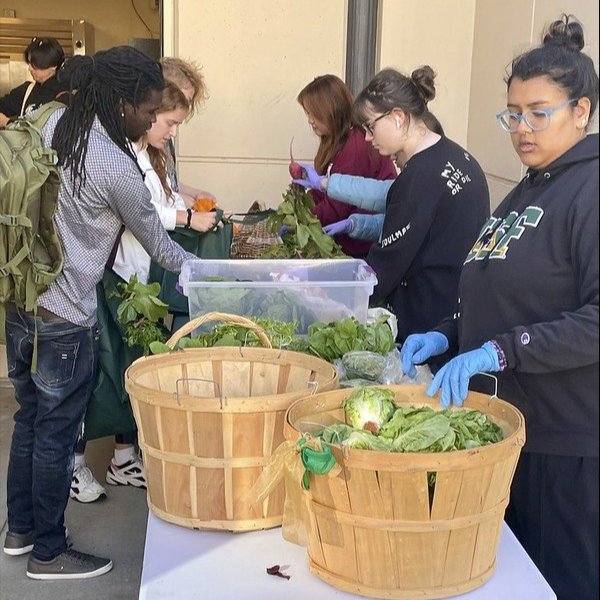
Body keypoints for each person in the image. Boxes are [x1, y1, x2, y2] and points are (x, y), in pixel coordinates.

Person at [400, 16, 598, 600]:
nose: (521, 128)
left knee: (560, 581)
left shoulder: (589, 190)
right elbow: (502, 291)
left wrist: (500, 351)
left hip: (564, 441)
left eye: (539, 112)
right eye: (512, 113)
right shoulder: (529, 187)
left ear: (582, 112)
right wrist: (447, 334)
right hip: (509, 429)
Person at [2, 46, 197, 580]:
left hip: (21, 301)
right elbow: (163, 247)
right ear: (120, 103)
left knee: (30, 420)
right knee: (57, 436)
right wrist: (216, 276)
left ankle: (19, 531)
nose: (148, 118)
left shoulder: (54, 120)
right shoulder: (114, 164)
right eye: (146, 108)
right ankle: (48, 550)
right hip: (65, 317)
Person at [70, 82, 218, 502]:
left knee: (132, 366)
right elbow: (144, 215)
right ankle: (73, 464)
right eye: (170, 121)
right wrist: (186, 219)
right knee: (102, 371)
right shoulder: (119, 157)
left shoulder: (148, 153)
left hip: (138, 275)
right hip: (115, 276)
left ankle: (122, 457)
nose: (172, 131)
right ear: (147, 111)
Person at [340, 67, 489, 359]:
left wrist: (334, 296)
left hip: (427, 327)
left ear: (398, 117)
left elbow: (385, 268)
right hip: (460, 318)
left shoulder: (417, 179)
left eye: (370, 126)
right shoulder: (461, 158)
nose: (368, 138)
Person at [293, 113, 445, 242]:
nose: (392, 158)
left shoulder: (430, 186)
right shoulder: (412, 181)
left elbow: (399, 223)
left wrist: (305, 214)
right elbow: (380, 196)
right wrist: (355, 224)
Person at [292, 74, 396, 257]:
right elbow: (326, 189)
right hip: (351, 244)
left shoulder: (356, 146)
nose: (309, 120)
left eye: (312, 113)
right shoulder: (338, 141)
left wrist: (299, 220)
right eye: (307, 113)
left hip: (365, 249)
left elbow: (336, 208)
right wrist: (303, 201)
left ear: (329, 110)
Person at [159, 56, 215, 204]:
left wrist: (197, 194)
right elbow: (154, 198)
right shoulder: (149, 141)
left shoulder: (165, 137)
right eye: (185, 100)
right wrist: (191, 206)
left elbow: (170, 184)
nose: (186, 107)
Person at [0, 37, 68, 128]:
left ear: (53, 66)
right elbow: (4, 105)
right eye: (30, 63)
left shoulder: (65, 96)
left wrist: (8, 123)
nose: (30, 69)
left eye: (35, 66)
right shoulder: (27, 90)